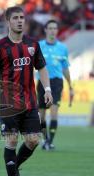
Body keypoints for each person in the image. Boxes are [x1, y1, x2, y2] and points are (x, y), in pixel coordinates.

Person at [0, 6, 53, 176]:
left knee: (33, 141)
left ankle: (14, 168)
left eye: (22, 17)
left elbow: (42, 68)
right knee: (12, 141)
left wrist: (47, 89)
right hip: (8, 102)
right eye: (15, 18)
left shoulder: (33, 44)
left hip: (30, 101)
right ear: (8, 21)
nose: (20, 20)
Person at [37, 19, 74, 150]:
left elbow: (65, 69)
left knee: (54, 112)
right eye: (50, 28)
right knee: (41, 114)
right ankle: (45, 139)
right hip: (42, 82)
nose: (53, 31)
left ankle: (50, 142)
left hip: (57, 82)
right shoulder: (39, 46)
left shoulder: (62, 48)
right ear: (45, 30)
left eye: (55, 28)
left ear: (57, 31)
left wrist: (70, 86)